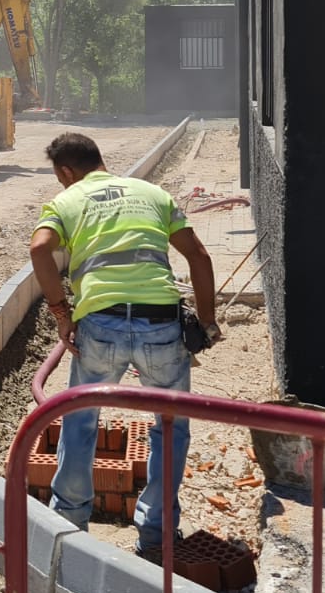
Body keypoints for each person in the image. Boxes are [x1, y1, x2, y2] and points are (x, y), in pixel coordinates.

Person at [28, 132, 219, 558]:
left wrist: (61, 314)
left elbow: (40, 249)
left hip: (100, 326)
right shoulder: (153, 194)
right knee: (169, 427)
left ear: (65, 172)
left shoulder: (67, 202)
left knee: (79, 421)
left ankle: (69, 525)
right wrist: (206, 323)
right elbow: (200, 257)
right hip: (161, 325)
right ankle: (157, 535)